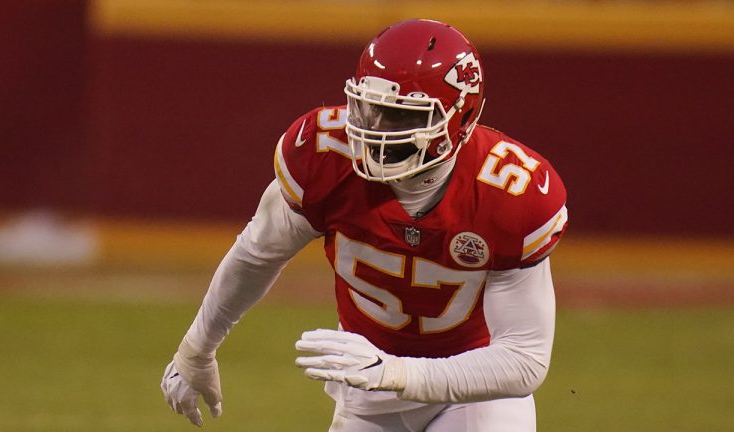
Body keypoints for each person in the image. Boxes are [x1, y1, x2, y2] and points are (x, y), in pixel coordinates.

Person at [160, 18, 568, 431]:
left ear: (457, 120)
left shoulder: (508, 192)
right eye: (370, 109)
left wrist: (396, 373)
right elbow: (256, 254)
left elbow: (523, 360)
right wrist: (196, 349)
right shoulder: (326, 157)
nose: (375, 130)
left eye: (399, 116)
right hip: (366, 386)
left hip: (473, 385)